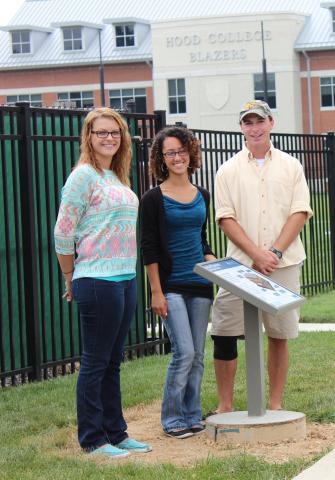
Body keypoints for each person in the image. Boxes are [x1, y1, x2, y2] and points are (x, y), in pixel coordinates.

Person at [54, 107, 152, 458]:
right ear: (89, 137)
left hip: (125, 279)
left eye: (115, 132)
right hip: (97, 279)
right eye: (101, 132)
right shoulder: (83, 177)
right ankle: (93, 439)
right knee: (96, 362)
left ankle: (117, 432)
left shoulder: (117, 176)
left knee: (112, 361)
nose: (109, 137)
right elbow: (63, 232)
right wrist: (70, 276)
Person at [211, 100, 312, 412]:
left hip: (283, 263)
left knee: (279, 335)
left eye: (259, 121)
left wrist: (274, 252)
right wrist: (255, 253)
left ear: (271, 123)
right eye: (248, 122)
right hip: (240, 266)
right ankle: (225, 406)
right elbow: (225, 217)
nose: (254, 128)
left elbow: (300, 211)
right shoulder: (227, 170)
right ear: (241, 128)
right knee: (224, 331)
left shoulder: (291, 166)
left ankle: (276, 404)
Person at [139, 126, 216, 439]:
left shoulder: (203, 195)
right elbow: (149, 248)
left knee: (197, 355)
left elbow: (201, 238)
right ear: (161, 158)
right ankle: (172, 419)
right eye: (170, 152)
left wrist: (212, 259)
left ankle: (192, 414)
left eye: (181, 151)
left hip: (200, 287)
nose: (177, 157)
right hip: (170, 287)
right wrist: (156, 291)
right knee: (183, 352)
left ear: (190, 153)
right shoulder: (153, 199)